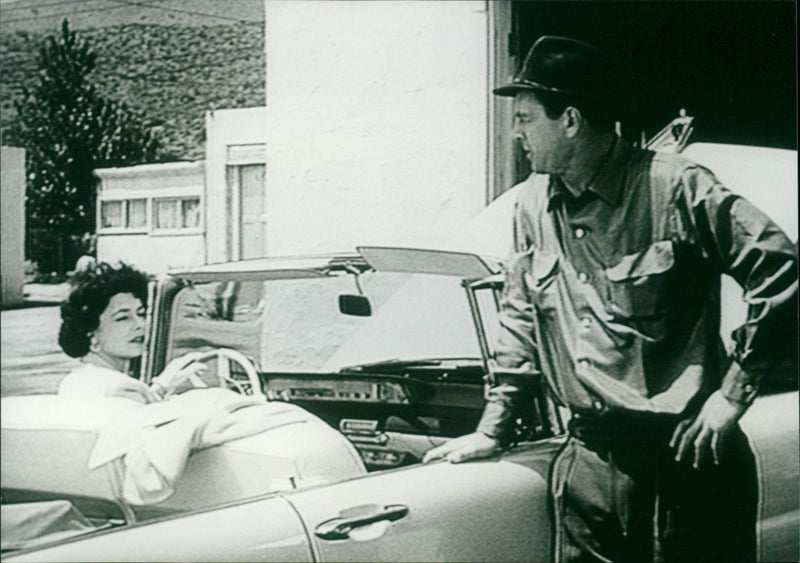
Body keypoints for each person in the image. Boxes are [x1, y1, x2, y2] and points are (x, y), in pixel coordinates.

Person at [424, 36, 798, 562]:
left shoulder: (675, 187)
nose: (516, 133)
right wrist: (493, 428)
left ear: (571, 119)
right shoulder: (533, 203)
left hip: (686, 453)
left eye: (527, 118)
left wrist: (732, 396)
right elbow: (519, 318)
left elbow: (781, 270)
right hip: (591, 461)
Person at [58, 262, 206, 404]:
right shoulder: (121, 388)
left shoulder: (78, 379)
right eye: (122, 318)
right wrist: (163, 385)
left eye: (141, 314)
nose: (140, 325)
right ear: (91, 336)